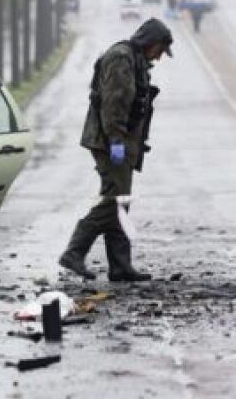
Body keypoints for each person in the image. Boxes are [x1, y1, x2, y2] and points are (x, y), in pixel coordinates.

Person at [58, 18, 173, 282]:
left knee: (121, 200)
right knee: (115, 201)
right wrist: (118, 142)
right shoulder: (122, 59)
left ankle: (120, 266)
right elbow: (114, 105)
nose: (160, 57)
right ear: (151, 43)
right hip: (110, 141)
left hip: (119, 140)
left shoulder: (134, 59)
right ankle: (74, 252)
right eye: (160, 50)